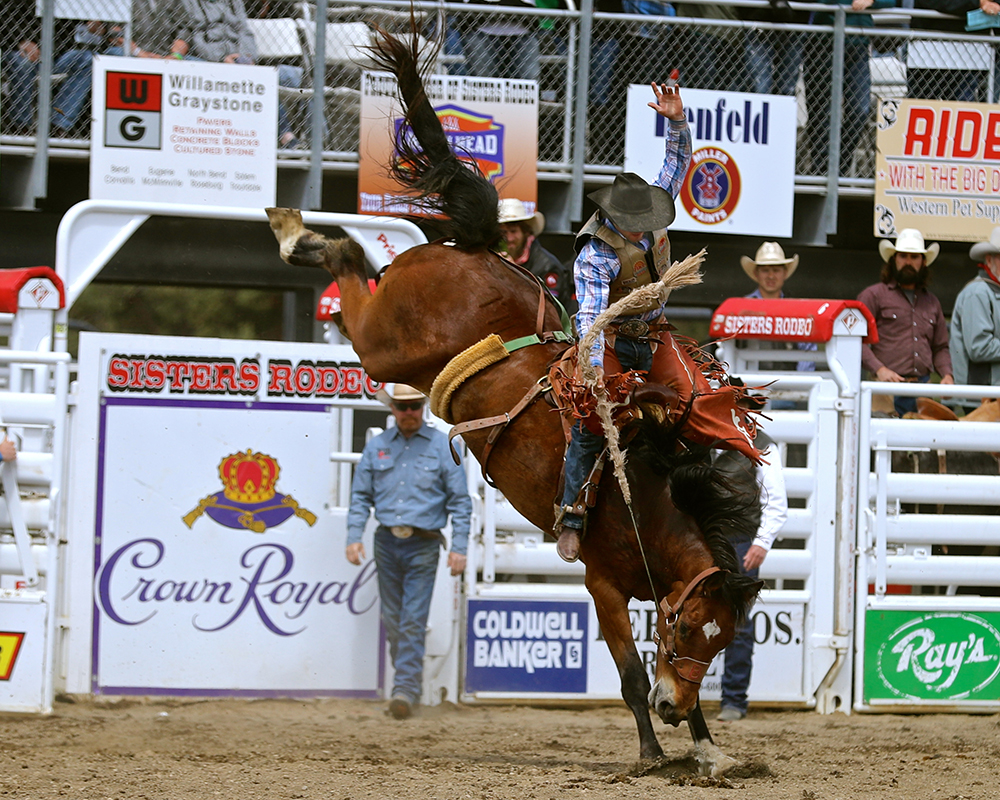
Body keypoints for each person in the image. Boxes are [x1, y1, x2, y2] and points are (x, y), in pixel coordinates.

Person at [555, 80, 761, 563]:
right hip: (613, 337)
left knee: (696, 397)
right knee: (592, 419)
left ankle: (706, 489)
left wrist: (676, 121)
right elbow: (588, 315)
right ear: (613, 217)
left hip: (654, 332)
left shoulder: (654, 215)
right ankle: (573, 516)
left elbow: (677, 164)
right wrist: (590, 365)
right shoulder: (597, 254)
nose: (644, 222)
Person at [346, 384, 472, 720]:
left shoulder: (442, 447)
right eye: (403, 408)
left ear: (423, 407)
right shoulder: (377, 448)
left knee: (412, 619)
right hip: (386, 541)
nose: (409, 413)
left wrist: (459, 547)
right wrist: (353, 536)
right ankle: (407, 685)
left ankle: (404, 689)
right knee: (394, 619)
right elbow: (360, 497)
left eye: (415, 406)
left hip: (424, 542)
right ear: (393, 410)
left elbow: (460, 501)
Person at [132, 0, 304, 148]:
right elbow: (195, 35)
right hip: (212, 62)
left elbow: (244, 30)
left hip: (242, 61)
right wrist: (222, 59)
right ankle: (286, 137)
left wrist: (246, 57)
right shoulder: (187, 3)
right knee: (258, 79)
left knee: (301, 77)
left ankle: (318, 142)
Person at [714, 428, 787, 722]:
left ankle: (733, 699)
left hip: (738, 540)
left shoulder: (761, 444)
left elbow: (776, 499)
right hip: (707, 538)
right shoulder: (700, 437)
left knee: (738, 621)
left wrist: (761, 542)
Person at [856, 228, 954, 417]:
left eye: (914, 257)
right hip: (884, 390)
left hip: (922, 390)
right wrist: (880, 369)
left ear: (923, 262)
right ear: (893, 260)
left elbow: (940, 347)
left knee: (922, 444)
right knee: (883, 443)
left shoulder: (932, 302)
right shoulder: (873, 296)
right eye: (903, 256)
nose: (908, 262)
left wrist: (947, 376)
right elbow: (856, 341)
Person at [803, 0, 895, 175]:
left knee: (860, 109)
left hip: (858, 43)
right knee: (821, 112)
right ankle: (822, 170)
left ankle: (837, 168)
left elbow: (891, 1)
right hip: (822, 40)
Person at [2, 21, 123, 136]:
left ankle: (58, 126)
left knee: (90, 59)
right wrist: (22, 39)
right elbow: (10, 15)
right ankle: (20, 126)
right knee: (23, 64)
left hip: (65, 55)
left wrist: (102, 29)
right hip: (26, 48)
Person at [741, 242, 818, 377]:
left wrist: (797, 385)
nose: (771, 276)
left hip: (787, 385)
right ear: (756, 273)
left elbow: (808, 350)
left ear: (784, 273)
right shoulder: (740, 308)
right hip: (748, 386)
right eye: (765, 270)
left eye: (776, 270)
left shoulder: (797, 310)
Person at [949, 226, 1000, 408]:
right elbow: (979, 347)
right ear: (989, 259)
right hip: (983, 396)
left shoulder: (990, 291)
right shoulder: (977, 292)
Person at [498, 198, 576, 315]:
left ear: (526, 232)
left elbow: (549, 311)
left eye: (513, 231)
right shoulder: (497, 258)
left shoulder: (548, 266)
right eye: (503, 233)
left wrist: (514, 275)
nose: (509, 238)